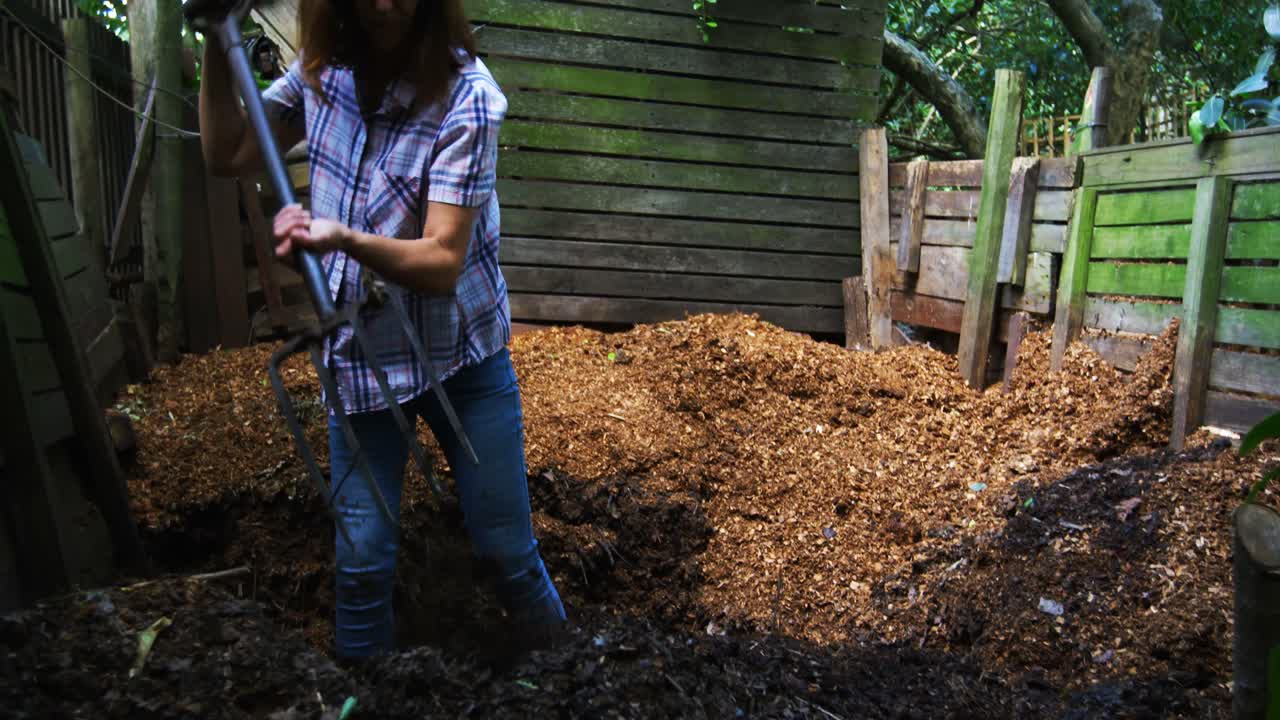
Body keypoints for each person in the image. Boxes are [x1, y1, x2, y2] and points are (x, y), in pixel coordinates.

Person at [197, 0, 566, 661]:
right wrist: (212, 40)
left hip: (463, 359)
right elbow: (227, 152)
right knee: (362, 563)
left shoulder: (469, 98)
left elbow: (442, 261)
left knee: (507, 548)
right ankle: (364, 696)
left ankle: (574, 673)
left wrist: (341, 237)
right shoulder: (323, 73)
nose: (382, 4)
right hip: (365, 360)